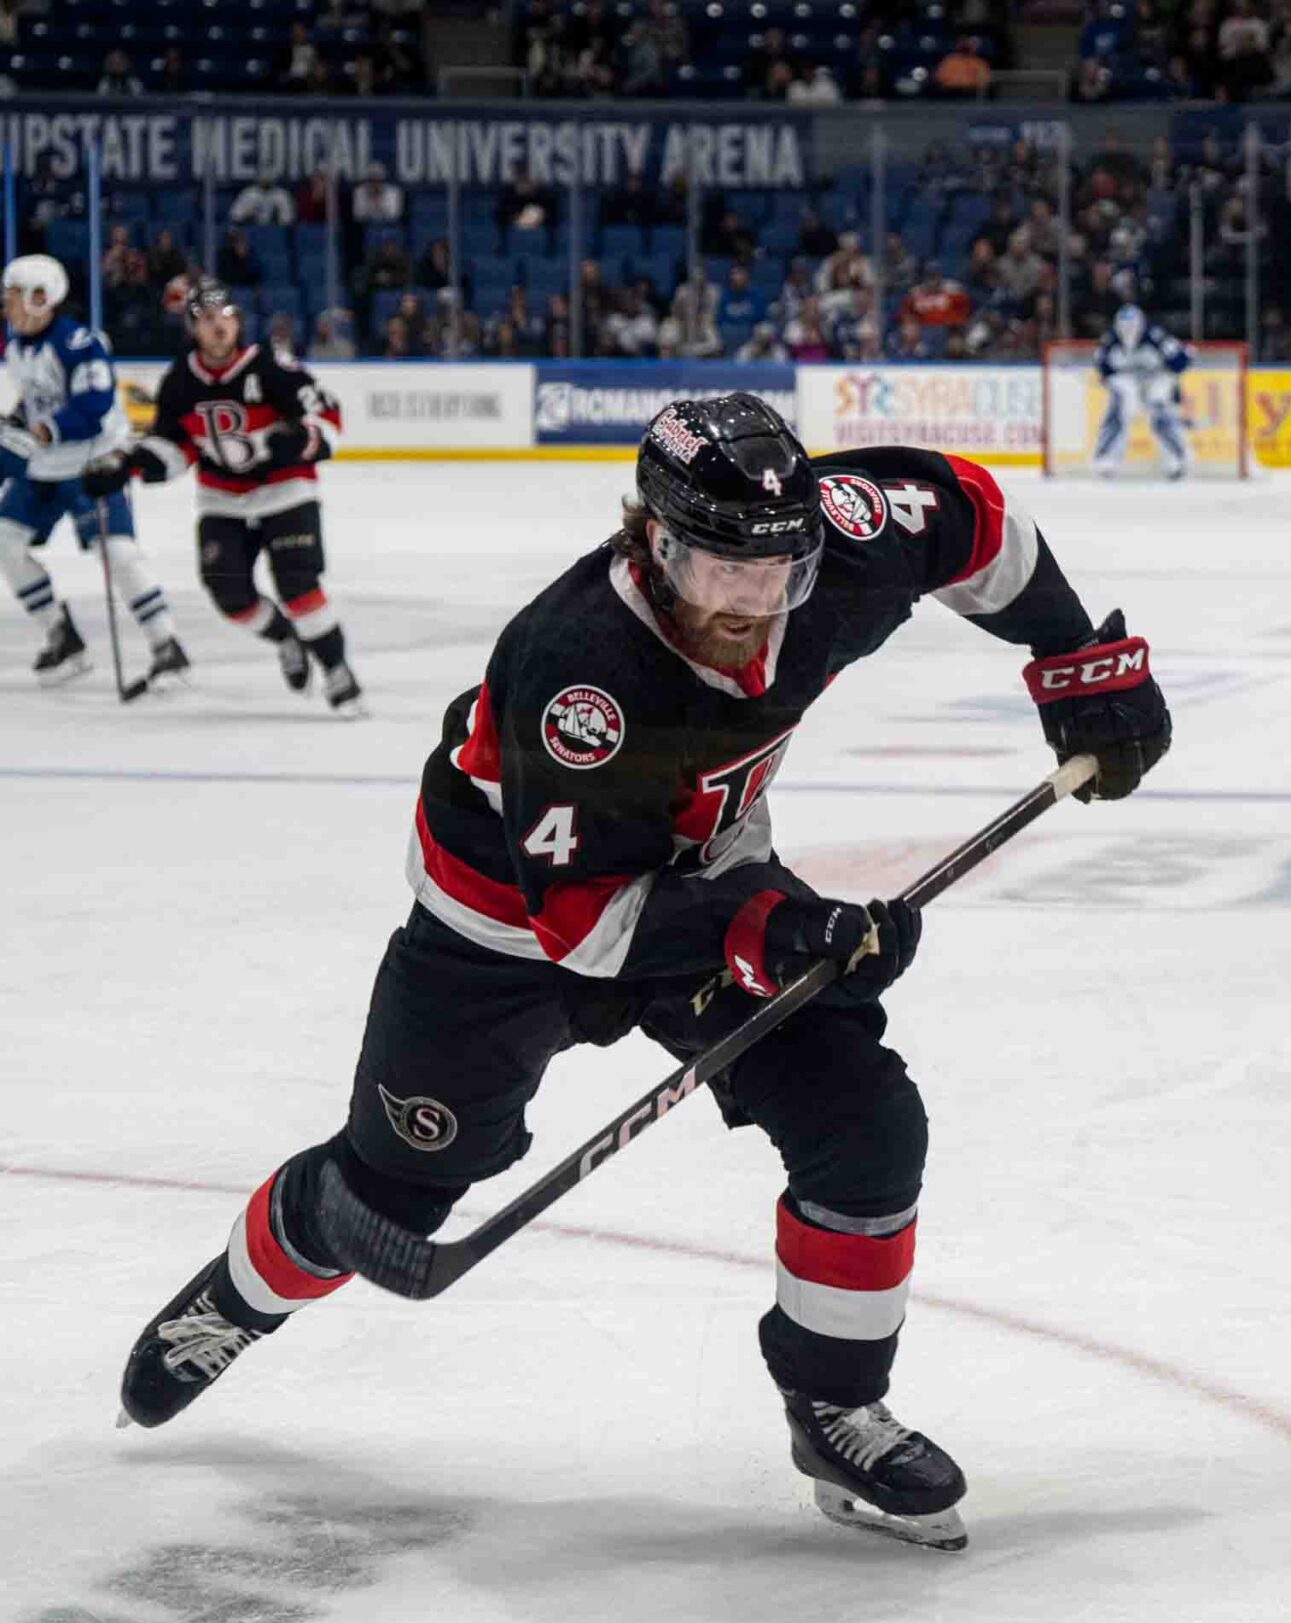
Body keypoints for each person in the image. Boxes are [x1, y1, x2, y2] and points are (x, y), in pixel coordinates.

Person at [114, 396, 1173, 1553]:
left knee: (865, 1129)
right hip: (501, 935)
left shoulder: (840, 533)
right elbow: (587, 925)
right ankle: (239, 1296)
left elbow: (970, 518)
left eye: (772, 575)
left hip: (707, 883)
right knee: (391, 1195)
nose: (747, 607)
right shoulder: (578, 667)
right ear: (651, 540)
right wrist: (779, 931)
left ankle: (835, 1406)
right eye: (715, 570)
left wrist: (1075, 657)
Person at [83, 283, 361, 713]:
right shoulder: (180, 380)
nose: (218, 326)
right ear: (194, 327)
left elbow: (326, 414)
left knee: (298, 585)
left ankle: (336, 668)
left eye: (224, 317)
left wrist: (304, 440)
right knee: (229, 595)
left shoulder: (272, 367)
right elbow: (176, 448)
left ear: (237, 321)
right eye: (206, 319)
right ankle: (285, 637)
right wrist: (128, 465)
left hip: (286, 492)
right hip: (223, 499)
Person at [0, 254, 187, 687]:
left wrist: (43, 431)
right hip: (45, 467)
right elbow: (37, 399)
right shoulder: (16, 348)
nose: (6, 305)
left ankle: (166, 645)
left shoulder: (79, 343)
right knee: (6, 542)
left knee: (118, 554)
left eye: (12, 297)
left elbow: (94, 406)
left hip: (92, 464)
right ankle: (61, 636)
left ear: (40, 298)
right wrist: (17, 423)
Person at [1092, 303, 1193, 480]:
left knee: (1159, 407)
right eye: (1124, 328)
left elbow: (1179, 361)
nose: (1129, 332)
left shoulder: (1155, 337)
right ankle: (1106, 456)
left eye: (1132, 327)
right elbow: (1103, 368)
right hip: (1127, 377)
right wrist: (1110, 382)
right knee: (1121, 404)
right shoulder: (1110, 341)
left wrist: (1174, 382)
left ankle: (1176, 457)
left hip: (1157, 376)